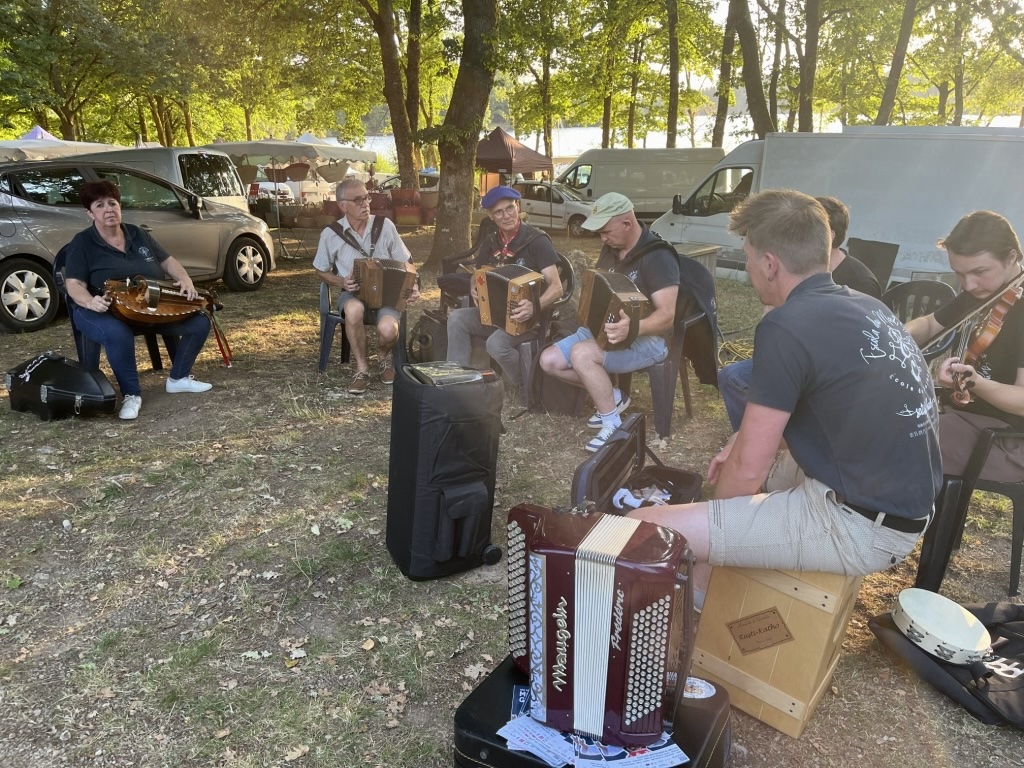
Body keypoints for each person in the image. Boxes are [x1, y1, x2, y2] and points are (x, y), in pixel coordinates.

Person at [627, 190, 941, 604]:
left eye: (749, 257)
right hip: (904, 505)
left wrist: (720, 525)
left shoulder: (786, 325)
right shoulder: (867, 305)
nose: (751, 269)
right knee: (760, 479)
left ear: (770, 264)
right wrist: (737, 443)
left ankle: (701, 605)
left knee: (640, 526)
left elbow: (747, 468)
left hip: (862, 526)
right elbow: (789, 420)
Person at [718, 195, 881, 430]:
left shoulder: (860, 283)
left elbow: (856, 358)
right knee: (732, 376)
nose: (746, 265)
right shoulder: (801, 281)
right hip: (805, 361)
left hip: (831, 377)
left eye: (747, 256)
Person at [538, 193, 680, 452]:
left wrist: (633, 327)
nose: (602, 239)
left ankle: (613, 425)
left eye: (606, 231)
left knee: (582, 354)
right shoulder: (611, 248)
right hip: (606, 331)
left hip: (649, 339)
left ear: (627, 223)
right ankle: (614, 397)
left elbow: (667, 315)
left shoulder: (658, 256)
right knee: (549, 361)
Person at [63, 180, 213, 421]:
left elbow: (167, 262)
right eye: (99, 205)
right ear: (89, 213)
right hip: (102, 310)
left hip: (146, 306)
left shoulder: (137, 233)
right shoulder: (83, 242)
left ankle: (179, 378)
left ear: (120, 207)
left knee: (199, 321)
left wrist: (185, 280)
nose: (108, 209)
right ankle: (132, 394)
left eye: (112, 203)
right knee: (117, 334)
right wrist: (90, 302)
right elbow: (74, 285)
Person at [906, 211, 1024, 482]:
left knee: (903, 439)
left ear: (1011, 258)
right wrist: (893, 336)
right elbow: (928, 325)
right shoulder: (981, 292)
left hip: (1009, 440)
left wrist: (976, 383)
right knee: (882, 417)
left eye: (979, 272)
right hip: (963, 418)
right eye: (959, 274)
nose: (969, 284)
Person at [446, 186, 562, 395]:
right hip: (493, 316)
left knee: (497, 344)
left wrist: (534, 306)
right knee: (456, 318)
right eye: (499, 212)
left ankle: (525, 383)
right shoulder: (491, 242)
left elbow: (557, 287)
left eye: (510, 208)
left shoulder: (537, 241)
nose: (506, 215)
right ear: (491, 216)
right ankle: (457, 381)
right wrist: (474, 285)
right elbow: (477, 273)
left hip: (528, 319)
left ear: (518, 206)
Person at [313, 178, 418, 395]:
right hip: (353, 293)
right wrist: (341, 281)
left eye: (367, 197)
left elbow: (407, 262)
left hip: (388, 296)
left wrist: (413, 284)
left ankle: (382, 356)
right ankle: (362, 368)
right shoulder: (331, 234)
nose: (365, 203)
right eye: (358, 199)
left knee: (388, 330)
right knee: (353, 309)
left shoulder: (385, 226)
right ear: (343, 205)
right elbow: (320, 270)